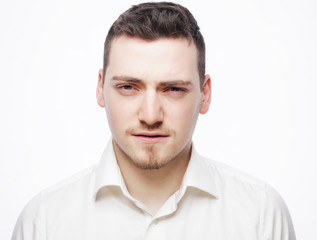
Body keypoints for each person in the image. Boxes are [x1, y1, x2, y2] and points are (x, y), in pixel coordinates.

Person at [12, 2, 296, 239]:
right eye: (128, 87)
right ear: (100, 89)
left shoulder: (261, 217)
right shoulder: (44, 223)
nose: (150, 116)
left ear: (205, 94)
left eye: (173, 89)